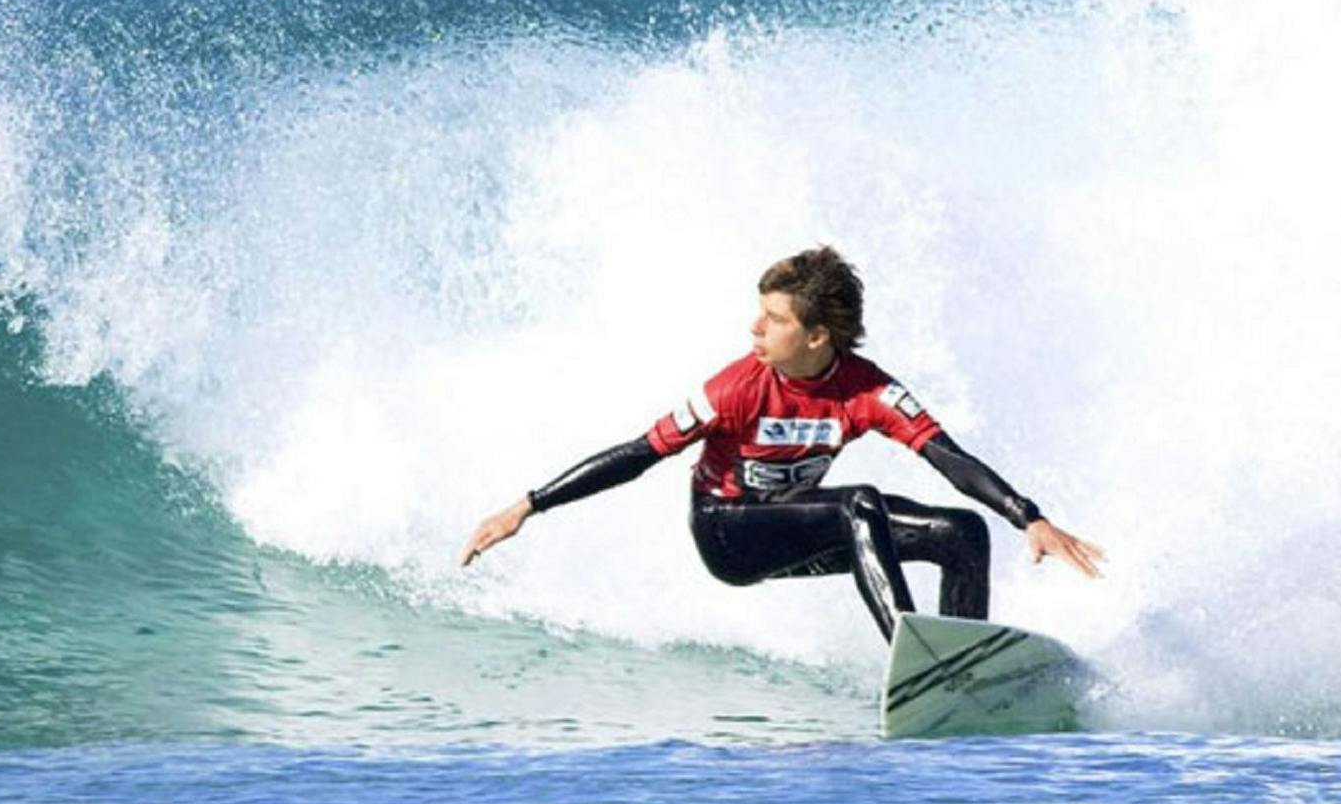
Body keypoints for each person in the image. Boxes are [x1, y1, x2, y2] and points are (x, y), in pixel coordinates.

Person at [459, 246, 1105, 640]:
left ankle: (957, 673)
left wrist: (1031, 516)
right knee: (860, 504)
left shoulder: (865, 390)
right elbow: (638, 454)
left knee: (962, 533)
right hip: (728, 534)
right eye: (759, 313)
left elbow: (948, 457)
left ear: (818, 335)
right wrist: (527, 505)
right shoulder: (734, 388)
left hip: (803, 529)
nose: (755, 328)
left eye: (774, 319)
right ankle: (915, 650)